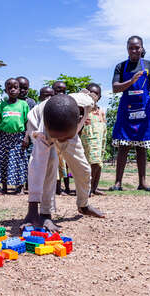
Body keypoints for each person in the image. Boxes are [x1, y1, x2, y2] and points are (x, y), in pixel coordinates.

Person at [23, 92, 105, 232]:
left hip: (69, 130)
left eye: (63, 139)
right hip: (43, 130)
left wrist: (73, 131)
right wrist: (32, 211)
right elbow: (37, 168)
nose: (60, 143)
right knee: (49, 167)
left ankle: (83, 205)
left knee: (84, 169)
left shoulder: (86, 104)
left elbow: (90, 99)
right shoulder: (44, 129)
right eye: (58, 138)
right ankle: (44, 214)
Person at [110, 36, 150, 192]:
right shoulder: (121, 66)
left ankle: (143, 182)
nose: (134, 50)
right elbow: (115, 88)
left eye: (137, 47)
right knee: (123, 146)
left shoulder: (149, 65)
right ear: (127, 49)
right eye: (131, 48)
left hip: (144, 109)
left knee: (142, 147)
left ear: (142, 48)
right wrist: (131, 81)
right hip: (126, 109)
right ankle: (118, 182)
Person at [0, 78, 30, 194]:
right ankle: (4, 188)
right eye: (10, 88)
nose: (13, 90)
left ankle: (20, 187)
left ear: (19, 90)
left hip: (19, 137)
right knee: (3, 161)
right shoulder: (1, 105)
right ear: (6, 90)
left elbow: (27, 123)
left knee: (19, 161)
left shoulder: (23, 105)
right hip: (4, 137)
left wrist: (26, 138)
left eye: (15, 87)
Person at [80, 83, 108, 196]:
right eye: (90, 92)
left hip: (100, 140)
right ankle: (87, 188)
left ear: (100, 97)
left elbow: (103, 126)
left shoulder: (101, 111)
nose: (92, 95)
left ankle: (95, 187)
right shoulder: (83, 110)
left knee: (98, 163)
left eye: (96, 94)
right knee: (91, 163)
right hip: (88, 140)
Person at [51, 81, 71, 195]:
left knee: (65, 165)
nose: (61, 93)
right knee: (55, 165)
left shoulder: (67, 104)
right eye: (58, 90)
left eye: (63, 90)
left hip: (65, 139)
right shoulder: (49, 105)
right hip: (53, 140)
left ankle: (67, 188)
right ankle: (57, 189)